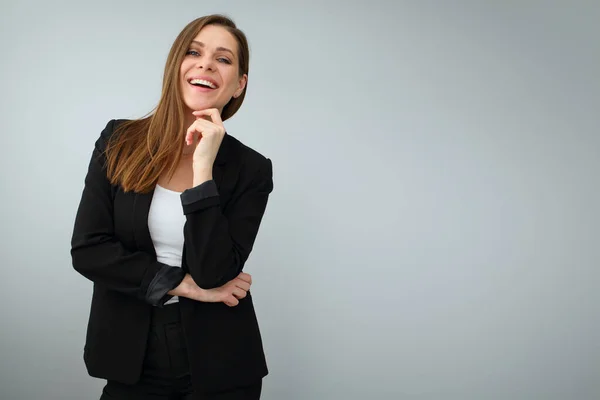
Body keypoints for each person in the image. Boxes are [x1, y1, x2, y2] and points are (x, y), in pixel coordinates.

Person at [70, 14, 273, 400]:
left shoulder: (251, 169)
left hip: (222, 363)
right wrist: (184, 287)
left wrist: (202, 169)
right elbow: (88, 251)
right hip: (130, 353)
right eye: (194, 51)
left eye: (224, 59)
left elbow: (216, 272)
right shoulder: (119, 140)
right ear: (175, 65)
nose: (206, 64)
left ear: (238, 85)